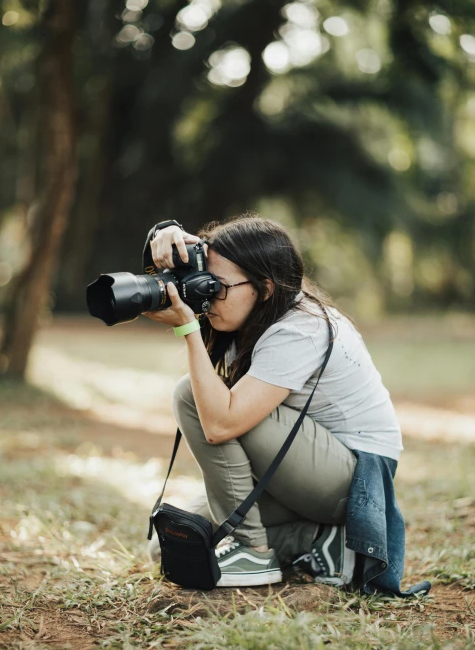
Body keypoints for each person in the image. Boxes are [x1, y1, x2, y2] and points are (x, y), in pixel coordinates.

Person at [144, 215, 430, 597]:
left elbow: (221, 424)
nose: (208, 295)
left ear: (264, 287)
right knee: (171, 547)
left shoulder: (300, 328)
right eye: (205, 282)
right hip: (293, 471)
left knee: (191, 396)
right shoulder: (245, 317)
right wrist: (163, 238)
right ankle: (322, 541)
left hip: (352, 478)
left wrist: (187, 329)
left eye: (219, 286)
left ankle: (252, 551)